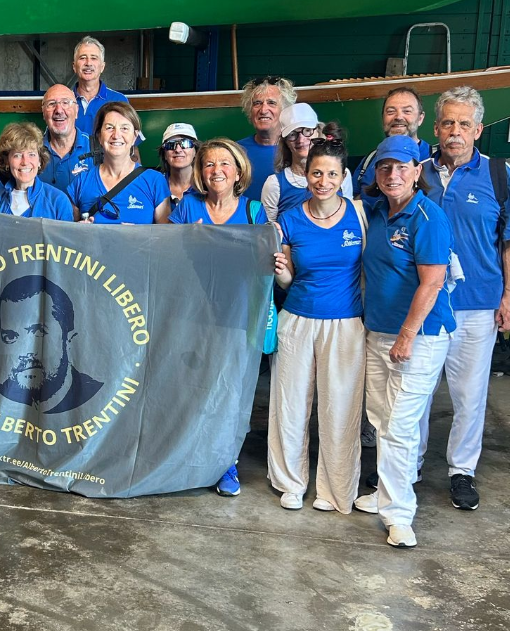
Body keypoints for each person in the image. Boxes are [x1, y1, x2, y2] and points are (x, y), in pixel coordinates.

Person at [418, 86, 510, 511]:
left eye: (464, 124)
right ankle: (409, 465)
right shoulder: (417, 172)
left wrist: (509, 297)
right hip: (424, 303)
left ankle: (462, 471)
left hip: (478, 303)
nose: (455, 132)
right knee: (417, 391)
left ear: (478, 130)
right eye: (448, 123)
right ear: (436, 128)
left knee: (469, 394)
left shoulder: (499, 174)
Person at [355, 134, 457, 548]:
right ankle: (387, 492)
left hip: (418, 337)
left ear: (417, 172)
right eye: (385, 167)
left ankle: (398, 515)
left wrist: (407, 335)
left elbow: (432, 283)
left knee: (397, 425)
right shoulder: (379, 211)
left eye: (401, 167)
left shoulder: (428, 217)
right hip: (379, 330)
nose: (392, 175)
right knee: (382, 419)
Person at [268, 131, 365, 513]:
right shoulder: (290, 219)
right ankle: (290, 482)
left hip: (345, 325)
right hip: (297, 322)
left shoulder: (359, 215)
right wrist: (280, 272)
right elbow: (288, 281)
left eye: (331, 174)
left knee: (340, 409)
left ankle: (334, 489)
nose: (323, 181)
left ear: (343, 177)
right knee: (290, 406)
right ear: (306, 175)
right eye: (316, 173)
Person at [165, 137, 266, 497]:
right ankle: (189, 457)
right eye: (208, 164)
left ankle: (225, 463)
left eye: (225, 164)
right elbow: (166, 258)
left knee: (230, 392)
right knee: (190, 387)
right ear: (200, 172)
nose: (216, 170)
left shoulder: (254, 211)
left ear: (238, 172)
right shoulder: (188, 207)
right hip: (191, 315)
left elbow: (263, 264)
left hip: (237, 316)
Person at [0, 275, 102, 413]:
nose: (25, 352)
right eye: (10, 336)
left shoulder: (96, 399)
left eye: (38, 331)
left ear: (68, 339)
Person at [67, 102, 171, 224]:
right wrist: (79, 229)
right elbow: (67, 233)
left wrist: (139, 233)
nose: (116, 135)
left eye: (124, 128)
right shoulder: (81, 182)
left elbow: (165, 233)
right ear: (99, 136)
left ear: (135, 136)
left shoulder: (154, 181)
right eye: (109, 128)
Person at [261, 104, 353, 221]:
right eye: (292, 134)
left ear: (318, 132)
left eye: (307, 131)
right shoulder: (274, 184)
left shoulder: (342, 174)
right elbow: (269, 229)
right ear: (285, 142)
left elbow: (348, 217)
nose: (301, 139)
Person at [354, 87, 432, 209]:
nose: (398, 117)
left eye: (407, 111)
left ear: (420, 118)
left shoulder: (436, 159)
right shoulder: (369, 160)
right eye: (391, 112)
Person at [0, 122, 73, 220]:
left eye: (31, 154)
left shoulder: (58, 201)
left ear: (39, 160)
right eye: (17, 155)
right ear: (7, 161)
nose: (25, 162)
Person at [237, 76, 296, 202]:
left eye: (271, 103)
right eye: (257, 103)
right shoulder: (236, 152)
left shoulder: (298, 149)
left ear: (285, 110)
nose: (263, 110)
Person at [38, 84, 93, 194]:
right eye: (51, 104)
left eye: (65, 103)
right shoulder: (31, 151)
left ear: (76, 111)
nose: (59, 110)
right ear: (43, 113)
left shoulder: (97, 148)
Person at [72, 36, 129, 137]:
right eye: (83, 58)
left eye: (94, 58)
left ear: (102, 67)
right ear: (74, 66)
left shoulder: (119, 100)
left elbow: (128, 140)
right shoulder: (63, 102)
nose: (88, 63)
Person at [158, 123, 198, 210]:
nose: (178, 150)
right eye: (171, 145)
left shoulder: (207, 185)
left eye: (185, 143)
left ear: (195, 151)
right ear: (165, 154)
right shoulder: (155, 186)